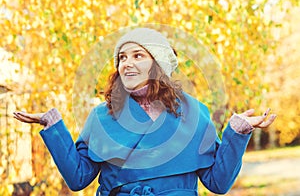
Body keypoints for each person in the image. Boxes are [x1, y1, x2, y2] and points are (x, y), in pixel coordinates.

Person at [14, 27, 276, 196]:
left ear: (158, 65)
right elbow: (78, 178)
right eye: (122, 58)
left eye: (138, 55)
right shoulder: (101, 117)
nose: (127, 63)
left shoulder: (195, 113)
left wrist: (238, 132)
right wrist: (54, 125)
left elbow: (218, 182)